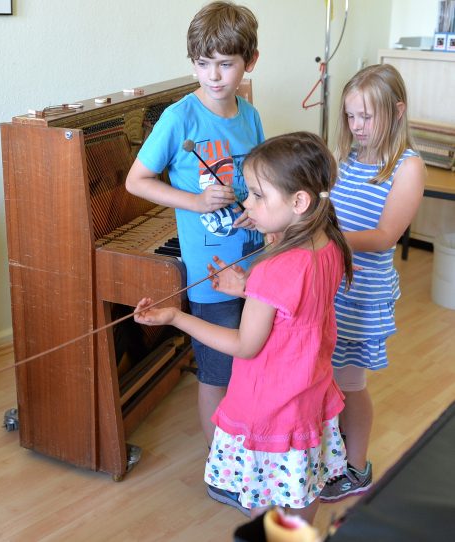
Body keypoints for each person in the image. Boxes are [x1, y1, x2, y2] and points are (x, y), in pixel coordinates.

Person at [134, 132, 354, 522]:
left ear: (298, 202)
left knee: (260, 499)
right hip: (309, 394)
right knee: (302, 489)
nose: (247, 203)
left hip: (269, 405)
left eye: (256, 195)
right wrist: (250, 284)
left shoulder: (272, 269)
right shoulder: (330, 244)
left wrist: (177, 317)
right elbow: (292, 310)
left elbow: (244, 345)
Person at [124, 0, 264, 508]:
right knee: (216, 374)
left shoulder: (249, 115)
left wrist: (258, 209)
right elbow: (136, 181)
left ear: (250, 60)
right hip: (209, 274)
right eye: (202, 63)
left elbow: (260, 181)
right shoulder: (178, 118)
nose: (213, 75)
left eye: (225, 63)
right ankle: (220, 467)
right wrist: (194, 200)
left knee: (253, 365)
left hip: (253, 265)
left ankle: (249, 451)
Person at [318, 64, 426, 502]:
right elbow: (325, 211)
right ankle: (333, 456)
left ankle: (357, 468)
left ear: (396, 111)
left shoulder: (407, 167)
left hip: (363, 295)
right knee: (326, 378)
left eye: (367, 116)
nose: (357, 126)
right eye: (350, 116)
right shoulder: (344, 159)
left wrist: (321, 237)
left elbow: (384, 237)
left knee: (350, 384)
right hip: (331, 286)